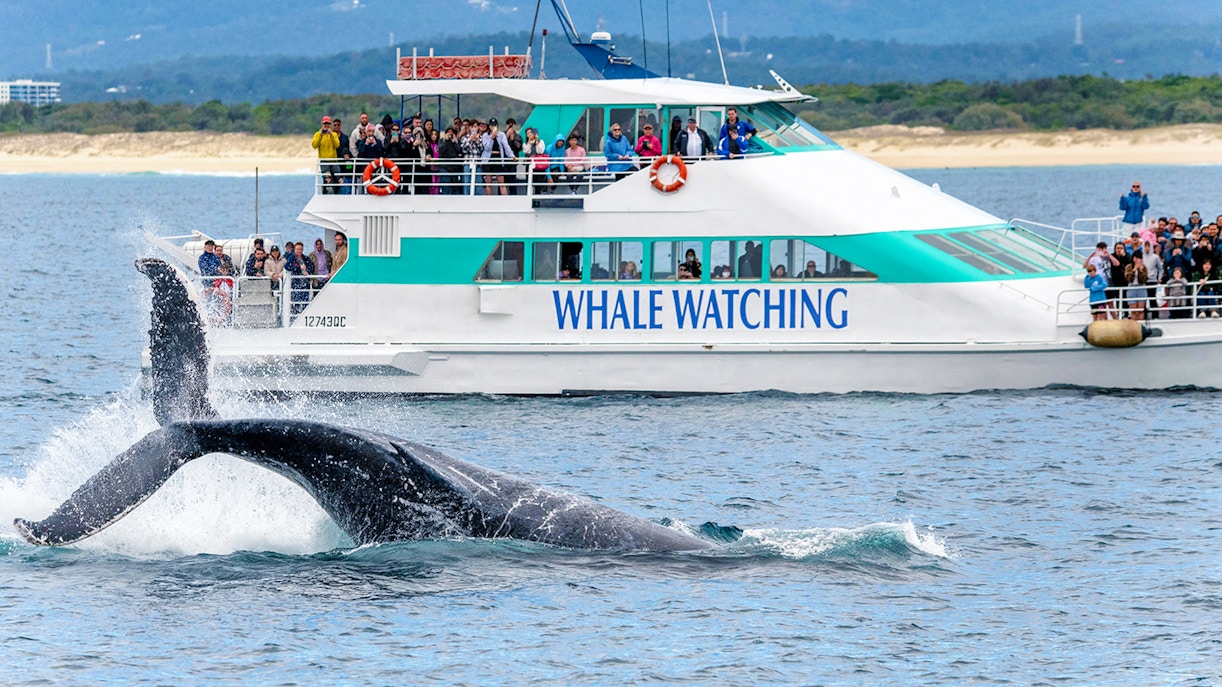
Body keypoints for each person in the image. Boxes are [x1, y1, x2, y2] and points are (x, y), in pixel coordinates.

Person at [482, 118, 513, 196]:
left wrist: (512, 155)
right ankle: (489, 200)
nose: (493, 127)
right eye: (492, 125)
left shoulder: (501, 135)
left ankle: (504, 200)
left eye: (495, 125)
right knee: (488, 182)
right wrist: (491, 137)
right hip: (488, 159)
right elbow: (487, 147)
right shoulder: (485, 135)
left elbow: (506, 146)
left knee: (501, 181)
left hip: (498, 157)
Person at [311, 116, 341, 194]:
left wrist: (331, 135)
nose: (326, 125)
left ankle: (335, 191)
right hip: (324, 159)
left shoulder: (334, 134)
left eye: (328, 124)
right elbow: (314, 145)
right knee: (327, 177)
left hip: (333, 159)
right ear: (322, 124)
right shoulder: (317, 134)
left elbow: (337, 145)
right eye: (325, 124)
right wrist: (320, 136)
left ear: (330, 124)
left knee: (337, 177)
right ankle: (325, 191)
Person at [522, 128, 550, 195]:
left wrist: (536, 142)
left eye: (531, 133)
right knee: (529, 183)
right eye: (528, 133)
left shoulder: (541, 142)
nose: (530, 135)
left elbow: (540, 151)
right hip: (529, 166)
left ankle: (537, 201)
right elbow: (526, 151)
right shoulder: (525, 144)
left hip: (538, 166)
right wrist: (529, 142)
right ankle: (528, 199)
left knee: (538, 185)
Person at [1124, 251, 1148, 320]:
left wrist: (1141, 271)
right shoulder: (1128, 267)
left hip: (1141, 287)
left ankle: (1141, 325)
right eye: (1136, 258)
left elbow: (1145, 279)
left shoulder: (1144, 267)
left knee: (1140, 310)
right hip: (1132, 287)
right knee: (1133, 311)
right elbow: (1128, 279)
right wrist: (1134, 270)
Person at [332, 117, 351, 194]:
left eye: (338, 125)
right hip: (333, 160)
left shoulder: (345, 137)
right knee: (334, 178)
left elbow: (348, 148)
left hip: (343, 161)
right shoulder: (330, 136)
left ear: (340, 126)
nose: (336, 126)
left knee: (344, 178)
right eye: (335, 125)